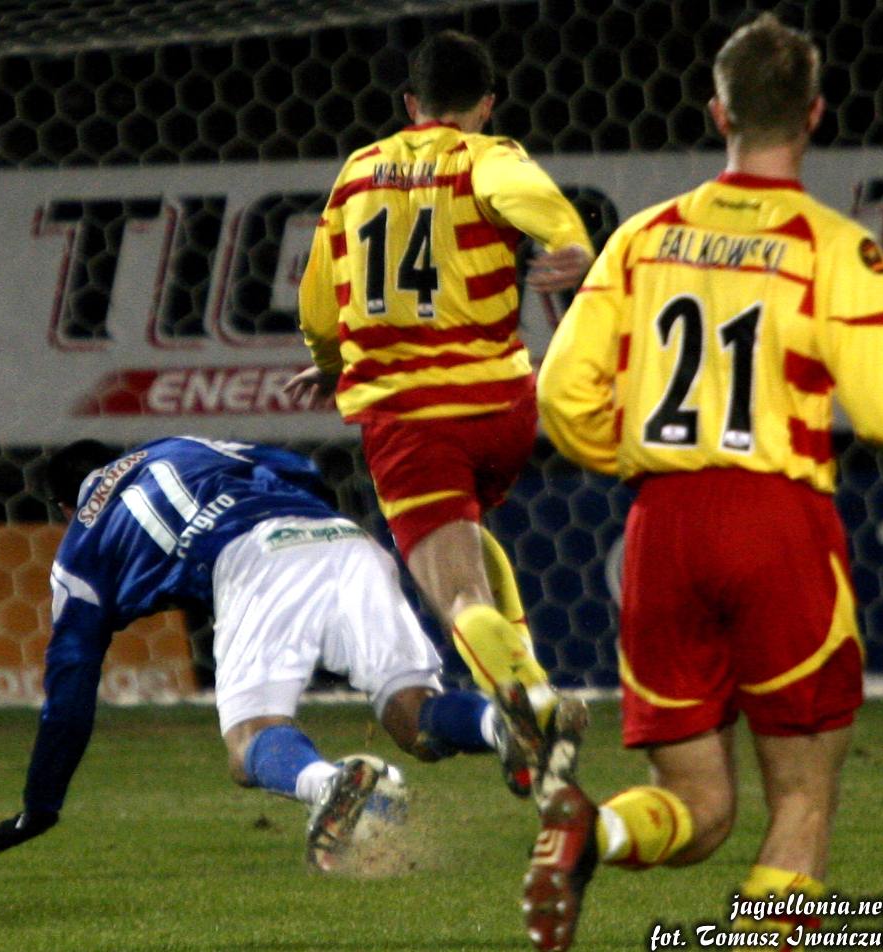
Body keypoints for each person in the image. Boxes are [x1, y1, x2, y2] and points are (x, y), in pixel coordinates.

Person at [523, 12, 883, 951]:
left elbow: (559, 393)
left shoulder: (642, 237)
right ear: (815, 114)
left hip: (662, 527)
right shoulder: (835, 249)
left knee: (698, 803)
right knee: (802, 795)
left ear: (718, 112)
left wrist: (632, 456)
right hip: (775, 523)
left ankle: (594, 832)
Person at [285, 30, 594, 798]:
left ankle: (536, 709)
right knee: (473, 557)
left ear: (410, 103)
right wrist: (570, 241)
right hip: (502, 409)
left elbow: (318, 309)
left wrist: (332, 361)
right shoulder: (487, 155)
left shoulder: (358, 173)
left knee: (457, 596)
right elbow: (530, 197)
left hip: (412, 421)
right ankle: (527, 708)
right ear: (486, 104)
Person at [0, 436, 507, 871]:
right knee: (413, 714)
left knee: (248, 741)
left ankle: (331, 785)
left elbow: (69, 693)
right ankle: (507, 726)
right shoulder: (183, 445)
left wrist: (41, 804)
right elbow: (299, 468)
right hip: (344, 539)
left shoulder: (79, 547)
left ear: (65, 508)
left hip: (253, 557)